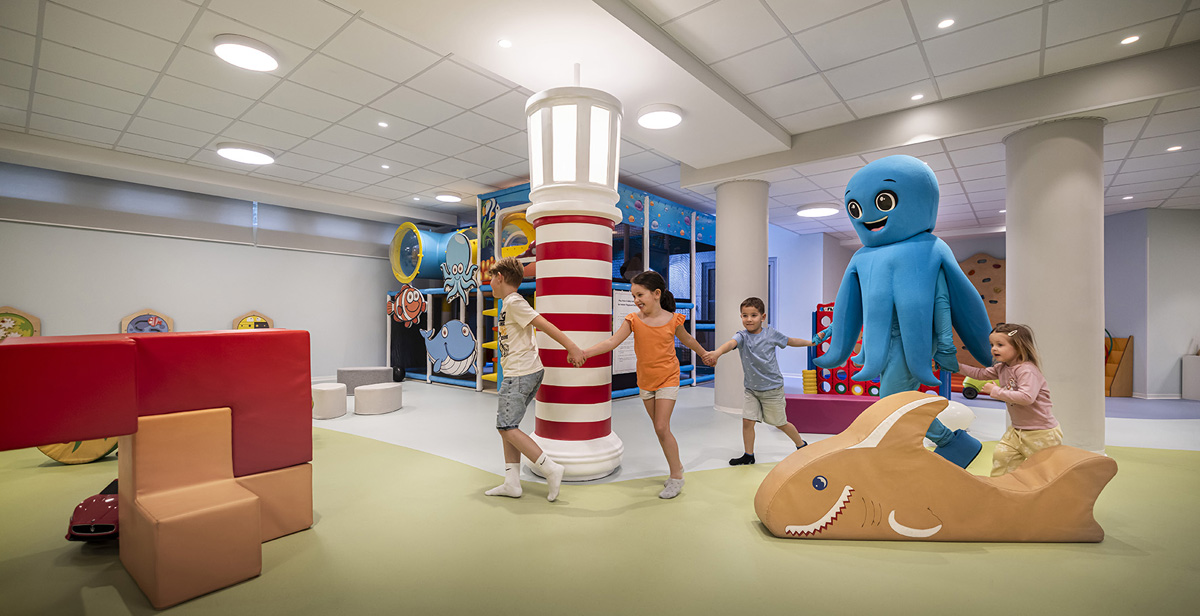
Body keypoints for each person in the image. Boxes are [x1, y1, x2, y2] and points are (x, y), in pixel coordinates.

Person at [581, 270, 710, 499]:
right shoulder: (633, 320)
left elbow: (688, 339)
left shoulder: (673, 319)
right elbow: (612, 342)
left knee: (661, 427)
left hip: (668, 377)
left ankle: (676, 477)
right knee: (660, 429)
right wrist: (585, 353)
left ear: (656, 294)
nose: (636, 300)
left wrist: (704, 354)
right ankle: (677, 465)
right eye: (634, 296)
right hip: (646, 381)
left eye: (640, 295)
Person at [484, 257, 586, 501]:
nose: (490, 284)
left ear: (500, 277)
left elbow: (544, 324)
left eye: (491, 279)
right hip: (522, 371)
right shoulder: (510, 303)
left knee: (506, 427)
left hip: (520, 373)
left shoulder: (514, 302)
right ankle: (512, 482)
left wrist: (571, 346)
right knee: (508, 427)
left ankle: (550, 468)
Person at [705, 297, 817, 465]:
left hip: (772, 389)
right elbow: (730, 344)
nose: (749, 319)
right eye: (745, 315)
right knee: (747, 421)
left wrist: (810, 342)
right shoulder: (742, 336)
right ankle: (749, 455)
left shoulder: (770, 334)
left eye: (753, 315)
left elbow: (790, 341)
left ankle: (801, 445)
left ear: (762, 317)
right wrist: (717, 353)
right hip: (751, 390)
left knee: (780, 423)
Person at [957, 323, 1062, 476]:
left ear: (1019, 347)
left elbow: (1026, 397)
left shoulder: (1027, 370)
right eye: (992, 345)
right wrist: (956, 366)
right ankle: (1000, 486)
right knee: (1002, 457)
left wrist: (995, 391)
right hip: (1016, 431)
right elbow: (980, 374)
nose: (994, 349)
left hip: (1041, 433)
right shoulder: (1002, 368)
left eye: (1000, 345)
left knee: (1045, 471)